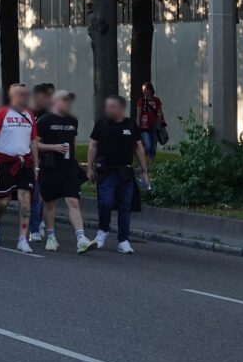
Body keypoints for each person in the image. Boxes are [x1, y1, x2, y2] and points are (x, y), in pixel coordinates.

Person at [87, 95, 149, 254]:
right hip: (106, 171)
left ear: (121, 108)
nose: (108, 110)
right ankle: (103, 231)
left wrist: (144, 171)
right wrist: (90, 168)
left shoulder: (130, 125)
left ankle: (123, 240)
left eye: (112, 107)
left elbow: (139, 147)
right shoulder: (101, 124)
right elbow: (93, 145)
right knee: (105, 202)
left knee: (125, 206)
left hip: (125, 172)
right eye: (107, 106)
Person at [35, 90, 92, 253]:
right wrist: (53, 147)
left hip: (69, 168)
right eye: (65, 100)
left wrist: (74, 160)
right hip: (50, 168)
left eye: (70, 101)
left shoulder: (73, 121)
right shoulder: (44, 121)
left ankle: (81, 239)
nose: (68, 104)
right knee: (50, 203)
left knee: (73, 201)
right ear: (55, 102)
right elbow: (34, 144)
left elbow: (72, 143)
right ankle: (51, 237)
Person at [0, 83, 36, 252]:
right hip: (5, 162)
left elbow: (33, 142)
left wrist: (36, 166)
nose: (24, 96)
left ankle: (22, 238)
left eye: (25, 93)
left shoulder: (29, 115)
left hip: (24, 163)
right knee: (3, 201)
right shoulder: (2, 113)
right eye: (20, 94)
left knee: (25, 199)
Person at [134, 81, 167, 163]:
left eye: (146, 89)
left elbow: (159, 112)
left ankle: (151, 165)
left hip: (155, 126)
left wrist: (161, 122)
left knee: (153, 147)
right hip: (144, 127)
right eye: (143, 89)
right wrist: (137, 127)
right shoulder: (141, 101)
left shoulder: (156, 100)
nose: (144, 91)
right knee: (148, 146)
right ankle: (139, 157)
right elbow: (138, 115)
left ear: (151, 89)